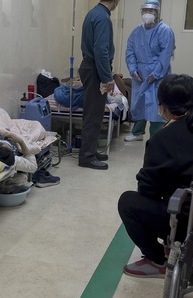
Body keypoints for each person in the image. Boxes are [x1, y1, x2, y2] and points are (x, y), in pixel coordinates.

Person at [118, 74, 193, 278]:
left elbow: (148, 190)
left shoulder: (162, 139)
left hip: (186, 221)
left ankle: (157, 260)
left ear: (163, 107)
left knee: (128, 202)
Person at [124, 0, 175, 142]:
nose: (147, 14)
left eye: (151, 11)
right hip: (139, 73)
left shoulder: (165, 30)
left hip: (158, 73)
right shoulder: (137, 31)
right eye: (145, 11)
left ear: (157, 13)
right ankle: (137, 133)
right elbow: (130, 51)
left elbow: (165, 55)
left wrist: (156, 74)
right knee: (139, 102)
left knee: (156, 106)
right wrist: (133, 69)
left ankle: (157, 137)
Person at [78, 0, 120, 170]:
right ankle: (87, 156)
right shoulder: (103, 18)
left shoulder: (94, 13)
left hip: (90, 67)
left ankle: (91, 150)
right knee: (93, 115)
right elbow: (101, 51)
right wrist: (107, 78)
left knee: (93, 113)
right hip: (95, 69)